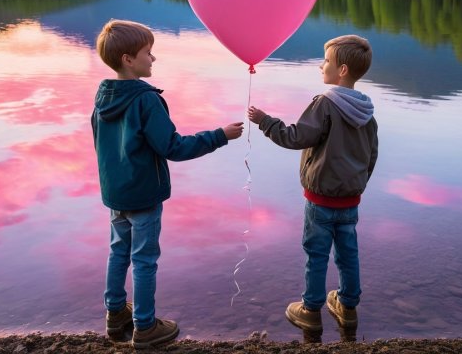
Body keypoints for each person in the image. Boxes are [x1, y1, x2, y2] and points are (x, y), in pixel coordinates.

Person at [92, 20, 244, 348]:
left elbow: (101, 147)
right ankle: (145, 327)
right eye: (148, 53)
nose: (154, 59)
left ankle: (115, 313)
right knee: (144, 259)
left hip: (116, 193)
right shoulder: (146, 100)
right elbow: (173, 147)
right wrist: (220, 136)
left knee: (118, 252)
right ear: (128, 59)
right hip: (144, 194)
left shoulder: (103, 97)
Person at [247, 34, 378, 333]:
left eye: (326, 61)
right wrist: (356, 185)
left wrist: (265, 121)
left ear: (341, 70)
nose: (321, 66)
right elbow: (371, 156)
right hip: (350, 201)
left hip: (320, 200)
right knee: (348, 255)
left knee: (316, 255)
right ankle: (348, 307)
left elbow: (297, 137)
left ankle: (310, 310)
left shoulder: (325, 104)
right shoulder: (367, 112)